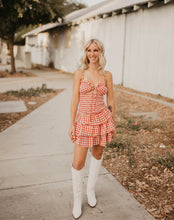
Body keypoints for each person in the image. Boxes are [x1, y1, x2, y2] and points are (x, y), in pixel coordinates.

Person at [68, 38, 116, 219]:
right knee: (78, 163)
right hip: (84, 120)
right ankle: (77, 200)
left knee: (97, 155)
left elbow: (110, 100)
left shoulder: (107, 75)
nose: (92, 54)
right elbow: (74, 99)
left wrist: (112, 122)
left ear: (100, 52)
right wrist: (72, 124)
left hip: (102, 119)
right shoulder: (80, 73)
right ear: (85, 53)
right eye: (89, 50)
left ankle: (90, 191)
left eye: (95, 50)